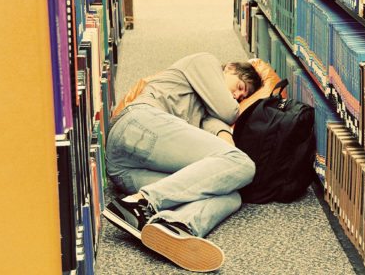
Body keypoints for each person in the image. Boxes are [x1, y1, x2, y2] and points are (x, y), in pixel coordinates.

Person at [102, 52, 263, 272]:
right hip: (139, 124)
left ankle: (175, 225)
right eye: (240, 87)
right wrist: (230, 129)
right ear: (230, 68)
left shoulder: (206, 108)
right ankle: (142, 202)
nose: (236, 96)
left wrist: (225, 137)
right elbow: (228, 111)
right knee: (244, 165)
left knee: (231, 195)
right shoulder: (206, 62)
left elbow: (219, 135)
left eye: (242, 97)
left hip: (123, 170)